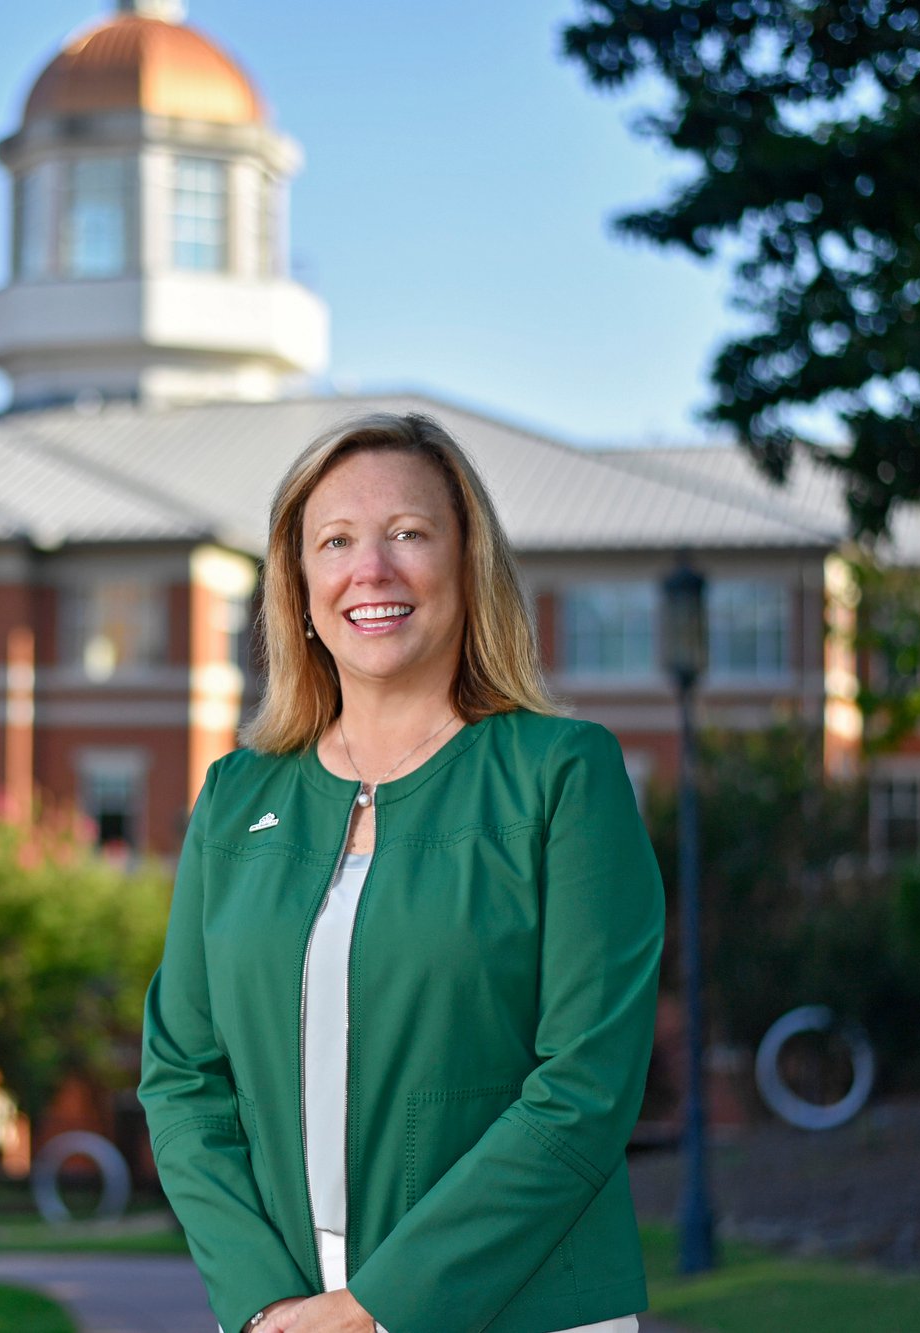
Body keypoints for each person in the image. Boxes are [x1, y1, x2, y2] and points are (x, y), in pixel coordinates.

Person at [139, 412, 664, 1333]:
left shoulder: (562, 774)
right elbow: (182, 1075)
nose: (370, 570)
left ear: (468, 566)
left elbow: (585, 1083)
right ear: (300, 590)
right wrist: (265, 1303)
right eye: (334, 541)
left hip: (525, 1309)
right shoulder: (234, 796)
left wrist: (381, 1306)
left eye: (409, 534)